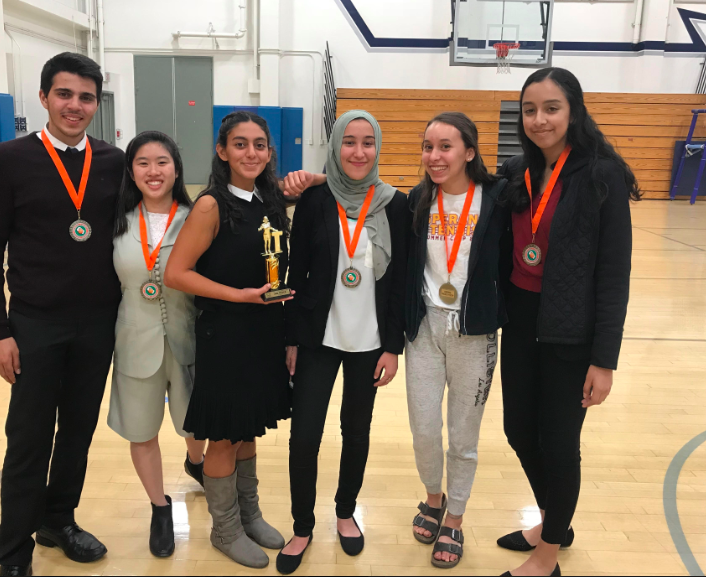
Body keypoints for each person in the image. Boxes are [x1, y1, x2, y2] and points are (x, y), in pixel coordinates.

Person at [0, 53, 123, 576]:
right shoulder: (8, 159)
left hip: (98, 324)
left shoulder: (113, 161)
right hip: (34, 325)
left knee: (78, 432)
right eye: (64, 94)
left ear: (96, 103)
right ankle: (13, 553)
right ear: (43, 98)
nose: (75, 106)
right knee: (30, 438)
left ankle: (58, 520)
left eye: (85, 97)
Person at [497, 68, 639, 577]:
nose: (539, 120)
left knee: (559, 444)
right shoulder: (516, 172)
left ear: (574, 111)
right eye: (530, 110)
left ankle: (548, 553)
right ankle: (558, 520)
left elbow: (613, 274)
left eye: (551, 108)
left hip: (571, 332)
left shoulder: (602, 175)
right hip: (519, 323)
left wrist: (605, 360)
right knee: (518, 431)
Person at [276, 110, 408, 575]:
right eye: (348, 142)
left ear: (377, 148)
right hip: (318, 338)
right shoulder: (315, 199)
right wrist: (292, 337)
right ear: (334, 147)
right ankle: (302, 525)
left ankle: (346, 511)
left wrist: (394, 347)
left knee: (356, 431)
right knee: (305, 436)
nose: (357, 152)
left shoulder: (395, 204)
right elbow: (295, 271)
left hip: (370, 343)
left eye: (367, 142)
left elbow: (402, 283)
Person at [164, 111, 292, 569]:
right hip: (226, 334)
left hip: (263, 333)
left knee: (249, 429)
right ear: (222, 151)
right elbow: (175, 273)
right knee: (223, 437)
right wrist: (238, 295)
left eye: (260, 144)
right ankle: (225, 529)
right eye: (240, 144)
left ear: (269, 152)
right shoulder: (211, 205)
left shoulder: (269, 200)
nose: (251, 153)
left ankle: (249, 515)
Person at [405, 112, 509, 569]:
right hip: (425, 330)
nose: (435, 156)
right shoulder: (415, 200)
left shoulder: (498, 199)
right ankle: (433, 498)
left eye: (446, 146)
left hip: (476, 333)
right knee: (425, 429)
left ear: (470, 151)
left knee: (463, 438)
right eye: (428, 146)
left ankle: (456, 519)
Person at [108, 130, 207, 558]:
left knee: (196, 423)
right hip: (134, 340)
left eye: (162, 162)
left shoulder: (198, 215)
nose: (153, 171)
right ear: (131, 170)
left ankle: (196, 463)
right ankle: (160, 506)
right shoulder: (115, 221)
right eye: (143, 162)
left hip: (189, 337)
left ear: (176, 168)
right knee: (142, 429)